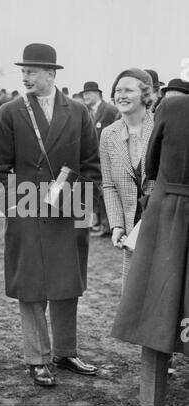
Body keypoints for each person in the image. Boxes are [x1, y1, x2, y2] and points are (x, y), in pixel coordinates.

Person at [0, 43, 101, 387]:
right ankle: (37, 358)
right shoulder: (9, 111)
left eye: (32, 71)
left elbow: (91, 166)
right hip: (28, 212)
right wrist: (27, 196)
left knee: (68, 283)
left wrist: (76, 197)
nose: (25, 77)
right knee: (31, 287)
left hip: (69, 211)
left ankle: (66, 352)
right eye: (23, 71)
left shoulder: (79, 112)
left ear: (51, 75)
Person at [111, 94, 189, 406]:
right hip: (169, 210)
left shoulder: (172, 107)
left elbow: (151, 164)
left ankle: (150, 399)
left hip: (167, 211)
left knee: (158, 307)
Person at [100, 69, 155, 291]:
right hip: (131, 231)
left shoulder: (163, 126)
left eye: (128, 90)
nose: (121, 95)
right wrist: (117, 225)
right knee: (132, 296)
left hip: (162, 222)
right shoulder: (108, 134)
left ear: (145, 94)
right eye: (117, 90)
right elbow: (109, 184)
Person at [81, 81, 118, 237]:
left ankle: (107, 226)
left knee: (106, 193)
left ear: (97, 94)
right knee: (96, 191)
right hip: (94, 159)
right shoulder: (89, 111)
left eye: (88, 93)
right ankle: (100, 223)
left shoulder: (109, 110)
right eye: (84, 94)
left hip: (107, 159)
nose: (85, 96)